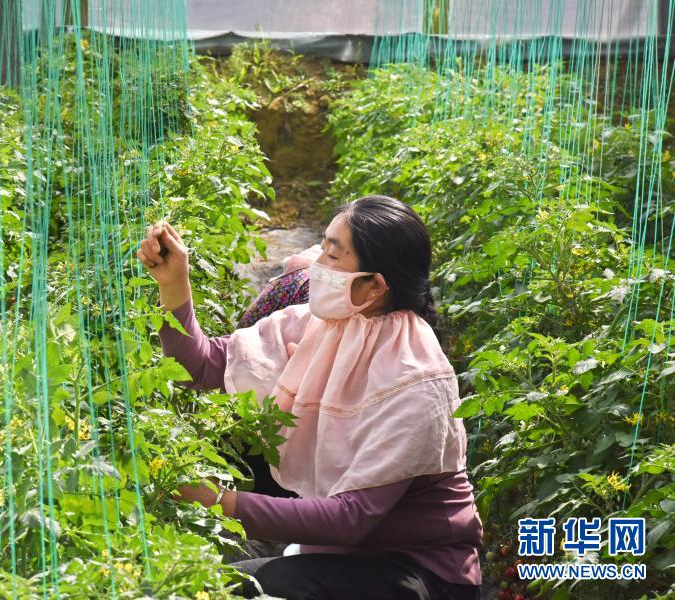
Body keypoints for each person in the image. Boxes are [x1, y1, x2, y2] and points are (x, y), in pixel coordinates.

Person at [136, 196, 482, 600]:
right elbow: (199, 367)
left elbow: (350, 518)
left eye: (332, 256)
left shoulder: (416, 378)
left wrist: (220, 501)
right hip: (340, 554)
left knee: (234, 589)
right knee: (213, 584)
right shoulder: (323, 325)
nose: (316, 266)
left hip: (420, 573)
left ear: (374, 285)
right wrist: (174, 284)